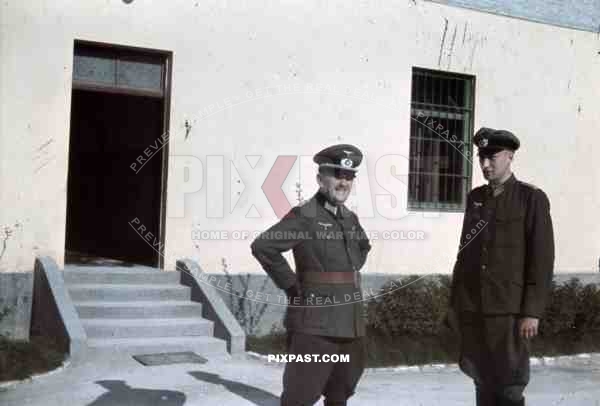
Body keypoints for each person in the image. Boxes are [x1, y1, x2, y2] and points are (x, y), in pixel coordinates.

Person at [251, 144, 371, 406]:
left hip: (350, 322)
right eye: (337, 174)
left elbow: (363, 246)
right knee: (300, 396)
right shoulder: (305, 216)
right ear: (320, 179)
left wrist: (348, 271)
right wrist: (293, 287)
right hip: (315, 326)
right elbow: (264, 246)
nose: (343, 182)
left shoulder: (350, 218)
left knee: (341, 392)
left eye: (349, 177)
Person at [448, 127, 555, 406]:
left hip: (508, 311)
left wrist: (532, 311)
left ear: (509, 156)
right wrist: (455, 304)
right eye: (481, 157)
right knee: (481, 381)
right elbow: (465, 255)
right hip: (474, 309)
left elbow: (541, 260)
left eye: (491, 157)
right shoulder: (476, 198)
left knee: (509, 386)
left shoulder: (530, 198)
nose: (484, 164)